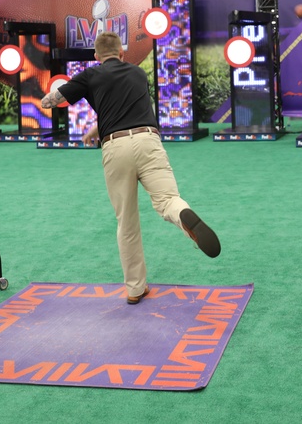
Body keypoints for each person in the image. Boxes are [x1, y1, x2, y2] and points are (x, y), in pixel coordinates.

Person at [40, 31, 220, 305]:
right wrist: (95, 128)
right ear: (122, 53)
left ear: (96, 56)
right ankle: (182, 213)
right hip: (149, 140)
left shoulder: (91, 75)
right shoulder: (138, 74)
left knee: (127, 221)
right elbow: (124, 108)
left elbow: (50, 102)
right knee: (167, 200)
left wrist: (58, 91)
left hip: (115, 146)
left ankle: (136, 288)